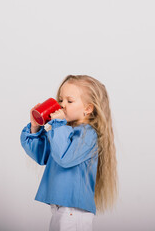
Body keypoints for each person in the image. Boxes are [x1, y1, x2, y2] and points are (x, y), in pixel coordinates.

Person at [20, 75, 118, 231]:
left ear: (88, 108)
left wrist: (58, 125)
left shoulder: (88, 135)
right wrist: (35, 127)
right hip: (60, 207)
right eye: (60, 100)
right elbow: (41, 155)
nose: (62, 105)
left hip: (73, 211)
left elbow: (63, 157)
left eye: (69, 101)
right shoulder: (63, 131)